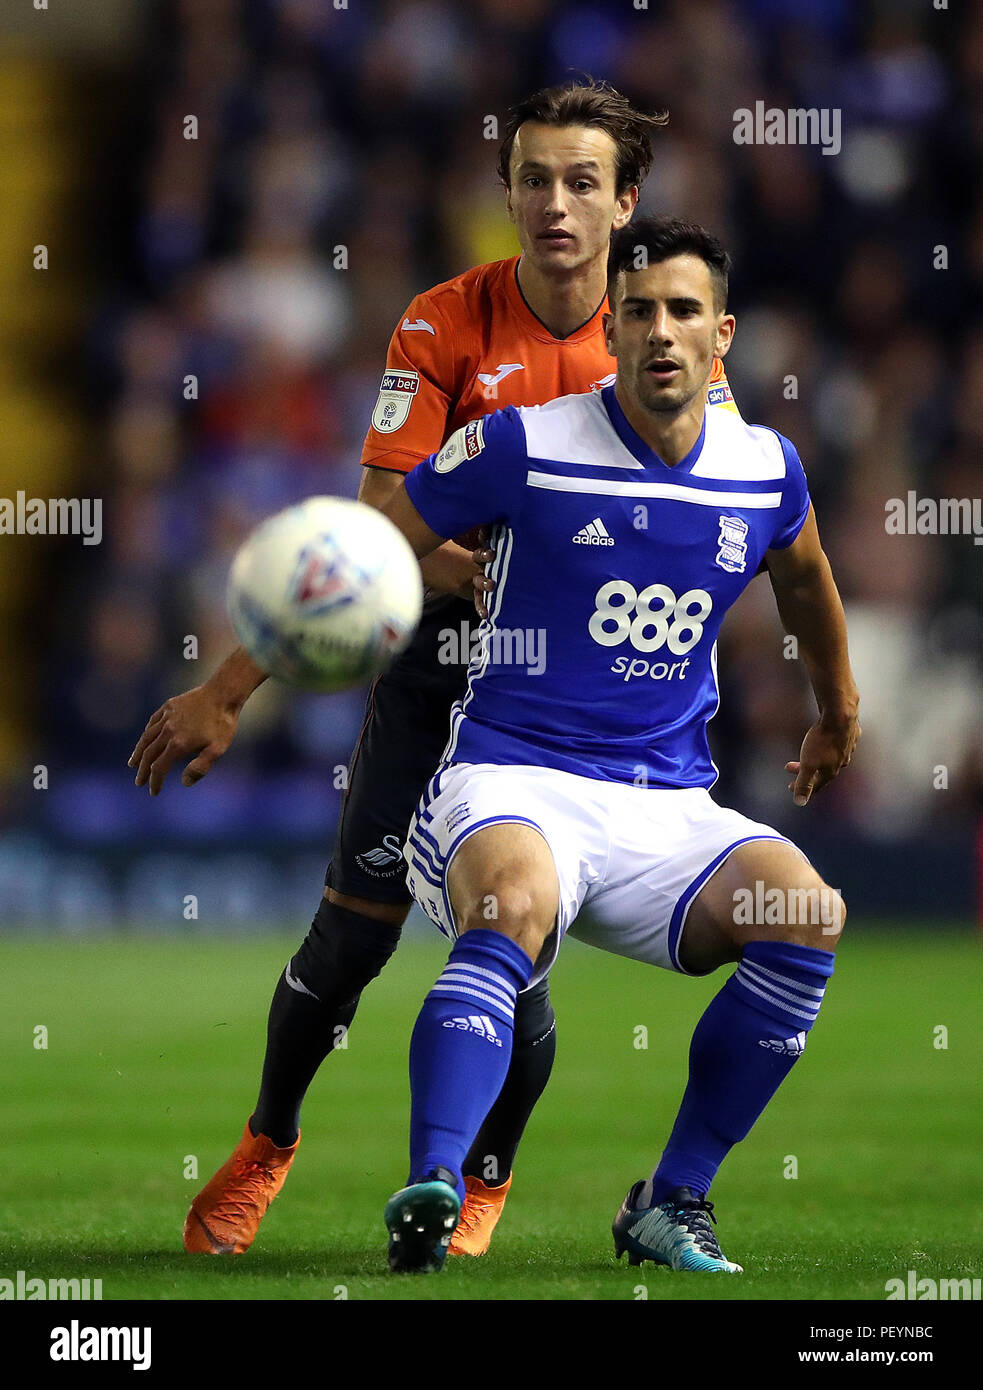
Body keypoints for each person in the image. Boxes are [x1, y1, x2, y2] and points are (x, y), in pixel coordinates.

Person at [128, 79, 741, 1258]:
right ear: (505, 190)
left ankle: (482, 1176)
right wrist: (224, 689)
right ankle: (268, 1140)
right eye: (531, 179)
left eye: (579, 182)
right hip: (436, 676)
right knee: (351, 936)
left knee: (514, 954)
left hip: (568, 707)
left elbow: (704, 512)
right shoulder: (442, 322)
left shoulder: (660, 335)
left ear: (625, 202)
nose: (552, 204)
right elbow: (376, 524)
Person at [377, 216, 861, 1274]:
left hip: (665, 806)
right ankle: (434, 1180)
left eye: (681, 311)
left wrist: (836, 706)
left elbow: (806, 575)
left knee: (806, 916)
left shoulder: (762, 469)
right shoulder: (522, 442)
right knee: (504, 911)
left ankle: (670, 1200)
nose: (657, 331)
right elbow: (372, 544)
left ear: (719, 335)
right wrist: (234, 682)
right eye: (634, 310)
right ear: (612, 329)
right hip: (509, 775)